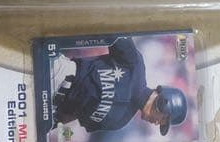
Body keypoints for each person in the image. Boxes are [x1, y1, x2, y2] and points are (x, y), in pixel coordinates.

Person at [49, 37, 188, 135]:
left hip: (52, 107)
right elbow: (111, 28)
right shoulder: (135, 64)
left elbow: (73, 116)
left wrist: (49, 125)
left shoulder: (121, 122)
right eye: (163, 119)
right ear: (164, 102)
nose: (157, 123)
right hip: (59, 74)